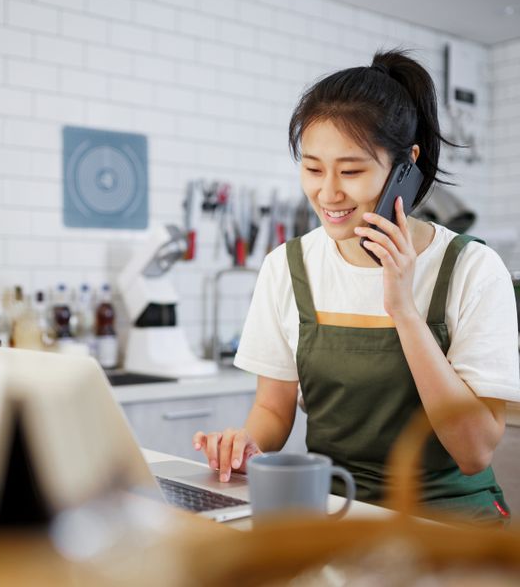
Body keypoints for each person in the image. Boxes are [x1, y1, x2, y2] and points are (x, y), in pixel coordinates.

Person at [192, 49, 520, 524]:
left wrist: (404, 310)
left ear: (407, 167)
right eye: (312, 168)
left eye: (351, 171)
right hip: (332, 511)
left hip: (448, 521)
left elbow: (474, 453)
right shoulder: (287, 266)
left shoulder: (472, 268)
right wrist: (248, 442)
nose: (328, 193)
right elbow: (273, 406)